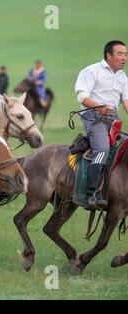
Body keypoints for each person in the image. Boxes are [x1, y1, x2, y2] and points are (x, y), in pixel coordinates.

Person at [75, 40, 128, 210]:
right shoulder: (91, 71)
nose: (124, 58)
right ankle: (91, 194)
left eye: (126, 54)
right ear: (109, 56)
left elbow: (126, 102)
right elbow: (82, 97)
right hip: (94, 117)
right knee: (102, 149)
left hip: (113, 119)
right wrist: (99, 107)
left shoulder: (122, 76)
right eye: (120, 54)